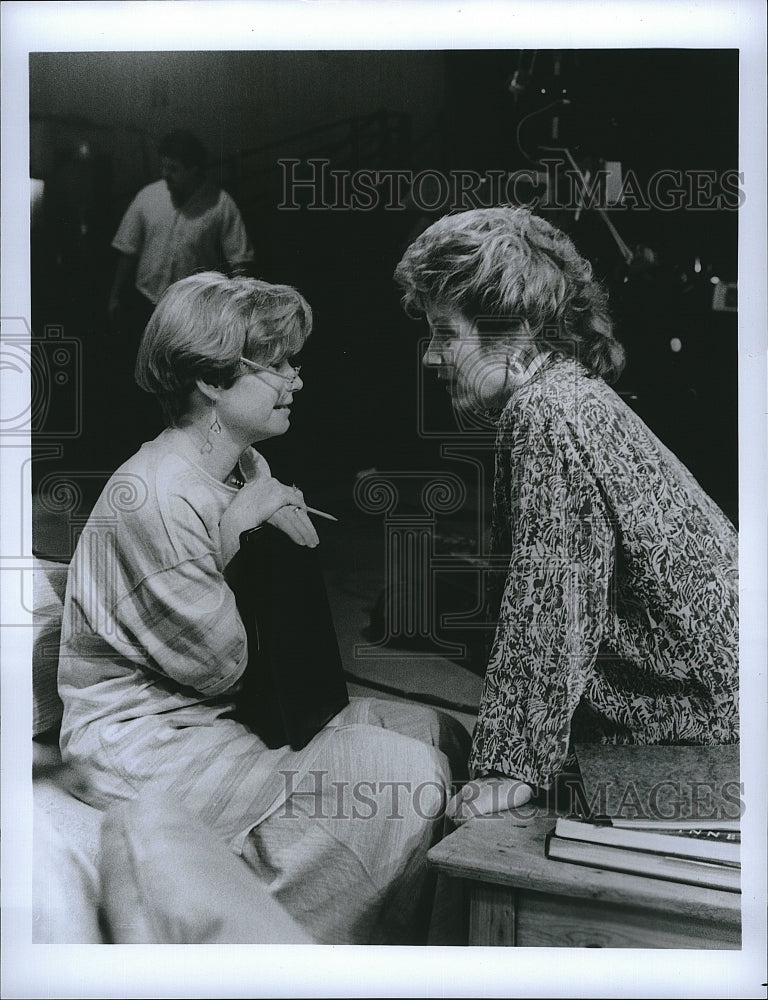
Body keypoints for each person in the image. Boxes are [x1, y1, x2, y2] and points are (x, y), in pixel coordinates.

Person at [58, 272, 469, 944]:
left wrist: (262, 513)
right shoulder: (155, 493)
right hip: (148, 743)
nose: (296, 381)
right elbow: (221, 666)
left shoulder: (237, 467)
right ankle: (298, 949)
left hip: (219, 718)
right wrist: (243, 525)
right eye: (275, 364)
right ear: (213, 382)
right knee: (405, 775)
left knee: (435, 730)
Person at [393, 206, 739, 823]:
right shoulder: (566, 391)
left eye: (446, 334)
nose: (431, 357)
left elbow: (553, 600)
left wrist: (509, 767)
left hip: (706, 730)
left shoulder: (549, 415)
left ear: (514, 330)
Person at [108, 130, 256, 333]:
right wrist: (114, 297)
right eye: (163, 166)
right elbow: (127, 250)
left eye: (173, 169)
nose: (164, 174)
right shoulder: (147, 196)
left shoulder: (221, 204)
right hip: (146, 302)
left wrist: (239, 308)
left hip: (195, 308)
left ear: (194, 170)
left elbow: (240, 260)